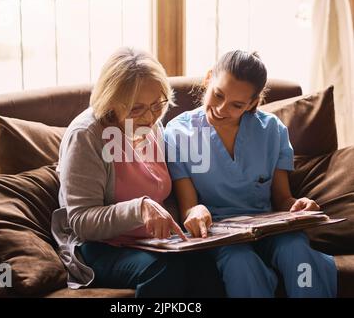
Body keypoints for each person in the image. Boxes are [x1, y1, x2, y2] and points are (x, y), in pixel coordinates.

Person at [164, 50, 337, 298]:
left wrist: (298, 206)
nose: (222, 109)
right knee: (240, 263)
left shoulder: (272, 131)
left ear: (253, 103)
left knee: (299, 253)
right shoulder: (179, 132)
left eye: (237, 105)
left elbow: (282, 199)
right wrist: (196, 212)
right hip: (219, 234)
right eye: (218, 94)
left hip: (270, 228)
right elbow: (188, 207)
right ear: (209, 78)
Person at [51, 47, 222, 298]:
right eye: (136, 108)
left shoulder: (152, 124)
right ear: (110, 103)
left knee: (206, 265)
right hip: (96, 247)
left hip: (151, 242)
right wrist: (139, 209)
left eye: (157, 105)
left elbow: (165, 192)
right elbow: (81, 222)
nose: (150, 117)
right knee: (163, 270)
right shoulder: (86, 135)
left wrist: (193, 211)